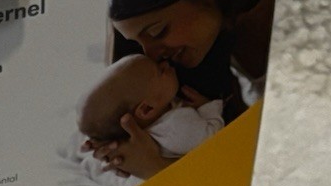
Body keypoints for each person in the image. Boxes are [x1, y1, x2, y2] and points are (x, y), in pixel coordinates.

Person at [82, 0, 280, 180]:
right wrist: (122, 141)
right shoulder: (213, 49)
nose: (152, 55)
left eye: (158, 31)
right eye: (138, 43)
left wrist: (157, 168)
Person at [77, 53, 225, 163]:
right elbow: (214, 137)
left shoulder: (144, 129)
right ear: (147, 109)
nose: (165, 63)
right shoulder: (176, 126)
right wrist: (208, 106)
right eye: (160, 71)